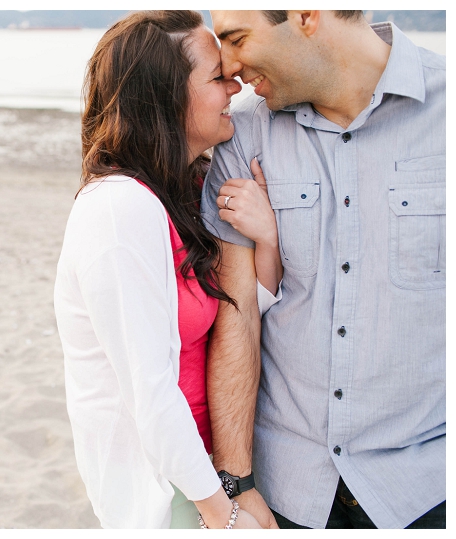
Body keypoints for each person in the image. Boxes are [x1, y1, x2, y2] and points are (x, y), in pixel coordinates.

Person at [200, 10, 445, 529]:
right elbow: (237, 317)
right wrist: (235, 483)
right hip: (287, 488)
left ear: (307, 15)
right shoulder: (243, 132)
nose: (228, 64)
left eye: (237, 38)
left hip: (427, 487)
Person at [53, 10, 279, 529]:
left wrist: (264, 239)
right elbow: (149, 391)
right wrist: (225, 514)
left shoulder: (179, 193)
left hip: (205, 469)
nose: (236, 85)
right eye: (218, 77)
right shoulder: (117, 209)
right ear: (166, 97)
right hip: (168, 489)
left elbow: (235, 316)